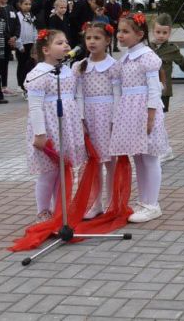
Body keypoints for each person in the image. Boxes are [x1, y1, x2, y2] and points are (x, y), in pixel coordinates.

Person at [111, 13, 169, 223]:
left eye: (126, 32)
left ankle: (152, 203)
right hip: (129, 111)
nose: (120, 35)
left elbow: (154, 89)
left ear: (140, 34)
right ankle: (144, 200)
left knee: (150, 158)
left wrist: (151, 116)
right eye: (119, 31)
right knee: (138, 157)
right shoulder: (125, 57)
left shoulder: (147, 57)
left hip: (144, 111)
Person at [25, 29, 87, 221]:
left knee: (62, 170)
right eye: (59, 43)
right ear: (46, 50)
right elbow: (35, 106)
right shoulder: (38, 74)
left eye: (66, 42)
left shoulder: (68, 70)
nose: (66, 45)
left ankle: (60, 210)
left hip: (67, 125)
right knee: (49, 172)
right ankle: (43, 210)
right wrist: (40, 133)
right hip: (49, 127)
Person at [75, 21, 121, 220]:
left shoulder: (113, 66)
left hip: (107, 117)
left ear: (108, 40)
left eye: (97, 38)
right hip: (90, 118)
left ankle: (112, 202)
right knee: (93, 163)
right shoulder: (80, 66)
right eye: (88, 38)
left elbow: (118, 94)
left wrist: (115, 120)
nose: (92, 42)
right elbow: (78, 95)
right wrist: (81, 118)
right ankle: (95, 203)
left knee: (110, 162)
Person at [151, 13, 184, 162]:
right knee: (153, 121)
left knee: (158, 121)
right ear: (152, 31)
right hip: (147, 91)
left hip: (163, 91)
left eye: (164, 33)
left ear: (170, 32)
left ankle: (164, 150)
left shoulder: (172, 49)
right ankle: (164, 149)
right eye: (158, 32)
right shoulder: (148, 47)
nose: (161, 36)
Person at [0, 0, 21, 97]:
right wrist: (8, 38)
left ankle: (4, 87)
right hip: (0, 41)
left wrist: (15, 36)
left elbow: (17, 23)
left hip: (10, 42)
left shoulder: (11, 8)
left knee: (5, 64)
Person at [15, 0, 38, 94]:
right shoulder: (18, 15)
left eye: (29, 4)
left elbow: (34, 29)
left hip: (31, 44)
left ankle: (29, 84)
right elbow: (16, 31)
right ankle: (21, 85)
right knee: (22, 65)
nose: (28, 6)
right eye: (25, 4)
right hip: (22, 44)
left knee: (30, 65)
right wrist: (19, 44)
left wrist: (35, 43)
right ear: (20, 5)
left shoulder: (31, 15)